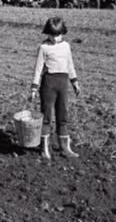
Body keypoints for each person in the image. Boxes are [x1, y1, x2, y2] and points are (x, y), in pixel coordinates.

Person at [30, 16, 80, 160]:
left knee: (62, 115)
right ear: (47, 33)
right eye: (52, 35)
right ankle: (44, 148)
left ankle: (65, 147)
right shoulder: (43, 48)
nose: (55, 38)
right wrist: (34, 88)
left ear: (62, 32)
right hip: (48, 84)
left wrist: (75, 82)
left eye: (57, 35)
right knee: (46, 116)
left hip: (63, 83)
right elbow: (38, 69)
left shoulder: (66, 46)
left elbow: (70, 65)